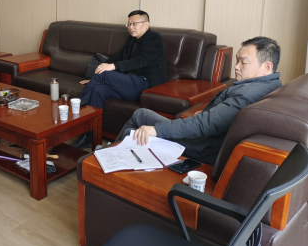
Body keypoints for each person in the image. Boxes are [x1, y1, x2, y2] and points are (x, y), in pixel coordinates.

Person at [117, 37, 282, 165]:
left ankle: (110, 161)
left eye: (243, 62)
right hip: (206, 138)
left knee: (133, 128)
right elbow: (219, 118)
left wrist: (156, 130)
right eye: (237, 60)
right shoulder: (272, 84)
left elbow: (203, 126)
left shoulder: (247, 95)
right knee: (140, 116)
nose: (236, 66)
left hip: (200, 146)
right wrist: (210, 112)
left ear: (267, 67)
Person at [73, 10, 167, 149]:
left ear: (146, 24)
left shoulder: (154, 38)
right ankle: (89, 136)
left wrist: (110, 68)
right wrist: (96, 77)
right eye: (129, 24)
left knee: (104, 74)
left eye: (134, 23)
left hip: (145, 84)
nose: (131, 27)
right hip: (129, 83)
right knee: (98, 89)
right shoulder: (131, 40)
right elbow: (116, 57)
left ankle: (76, 106)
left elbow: (141, 61)